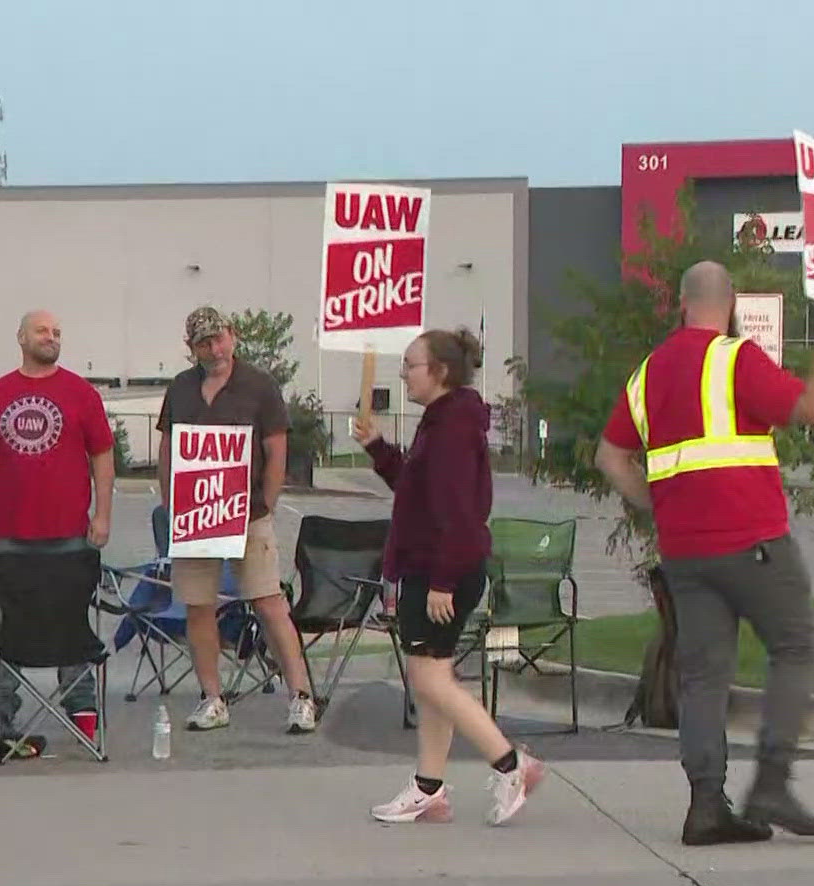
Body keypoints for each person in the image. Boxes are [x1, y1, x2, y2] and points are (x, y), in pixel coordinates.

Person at [594, 264, 814, 846]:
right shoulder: (734, 360)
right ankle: (771, 782)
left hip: (685, 553)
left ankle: (706, 806)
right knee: (796, 645)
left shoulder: (646, 375)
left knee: (705, 676)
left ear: (683, 304)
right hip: (751, 540)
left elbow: (610, 458)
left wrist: (659, 502)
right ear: (731, 302)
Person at [354, 328, 546, 825]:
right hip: (432, 565)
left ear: (439, 371)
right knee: (432, 678)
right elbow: (415, 491)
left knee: (428, 676)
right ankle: (428, 787)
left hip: (441, 569)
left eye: (411, 365)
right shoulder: (440, 422)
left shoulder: (453, 427)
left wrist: (441, 580)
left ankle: (511, 764)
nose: (403, 374)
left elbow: (458, 512)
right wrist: (378, 447)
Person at [155, 306, 317, 735]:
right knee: (198, 605)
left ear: (233, 336)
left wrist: (267, 499)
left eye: (219, 338)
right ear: (191, 348)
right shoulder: (181, 388)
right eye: (204, 343)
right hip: (196, 516)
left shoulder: (259, 386)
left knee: (269, 602)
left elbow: (277, 447)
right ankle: (212, 698)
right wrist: (172, 501)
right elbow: (169, 446)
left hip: (249, 515)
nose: (214, 348)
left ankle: (301, 696)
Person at [0, 310, 114, 755]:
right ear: (21, 336)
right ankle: (0, 720)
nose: (52, 338)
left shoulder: (81, 394)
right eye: (43, 331)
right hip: (6, 539)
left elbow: (103, 457)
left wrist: (102, 515)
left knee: (72, 622)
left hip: (71, 538)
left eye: (58, 333)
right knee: (5, 627)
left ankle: (83, 711)